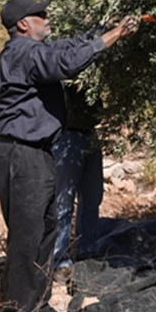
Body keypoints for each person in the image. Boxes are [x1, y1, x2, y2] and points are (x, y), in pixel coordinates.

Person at [0, 0, 139, 312]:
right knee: (26, 235)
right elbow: (66, 63)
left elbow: (67, 47)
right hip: (19, 153)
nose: (47, 16)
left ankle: (37, 305)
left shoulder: (33, 50)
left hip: (38, 152)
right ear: (23, 24)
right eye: (40, 14)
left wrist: (101, 27)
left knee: (46, 227)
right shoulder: (22, 53)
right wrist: (113, 35)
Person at [51, 76, 106, 282]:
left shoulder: (92, 70)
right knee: (64, 200)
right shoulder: (65, 64)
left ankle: (87, 251)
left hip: (90, 134)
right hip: (67, 136)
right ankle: (60, 260)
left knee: (93, 197)